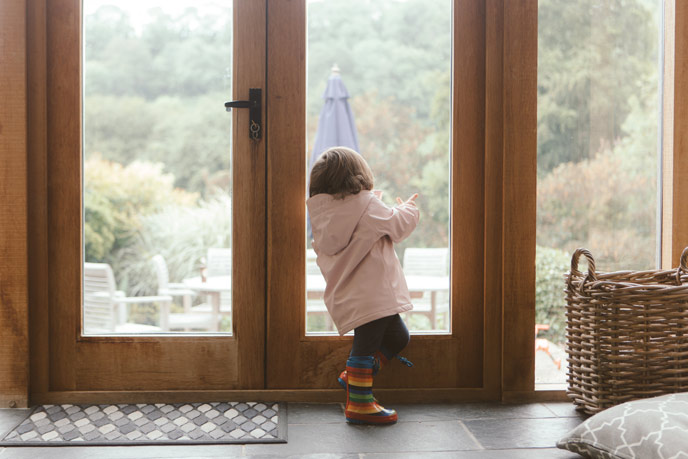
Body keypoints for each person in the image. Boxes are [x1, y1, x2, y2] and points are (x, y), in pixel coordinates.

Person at [306, 146, 419, 425]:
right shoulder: (368, 205)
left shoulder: (322, 217)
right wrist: (409, 208)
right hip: (373, 296)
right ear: (359, 176)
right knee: (363, 348)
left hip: (352, 295)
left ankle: (358, 377)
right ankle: (359, 404)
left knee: (399, 337)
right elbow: (399, 225)